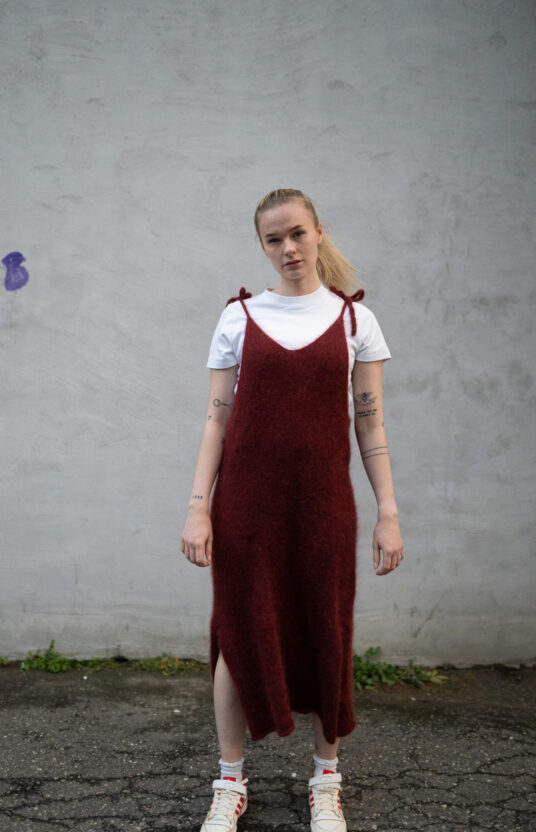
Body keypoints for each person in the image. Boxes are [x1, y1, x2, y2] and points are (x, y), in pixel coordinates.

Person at [181, 188, 404, 832]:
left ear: (318, 232)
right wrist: (198, 507)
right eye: (274, 239)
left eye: (298, 234)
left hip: (324, 509)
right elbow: (216, 421)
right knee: (235, 634)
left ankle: (326, 781)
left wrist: (388, 511)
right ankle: (229, 783)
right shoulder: (238, 318)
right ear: (262, 246)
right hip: (245, 509)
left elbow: (371, 426)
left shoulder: (355, 322)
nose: (289, 248)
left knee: (327, 632)